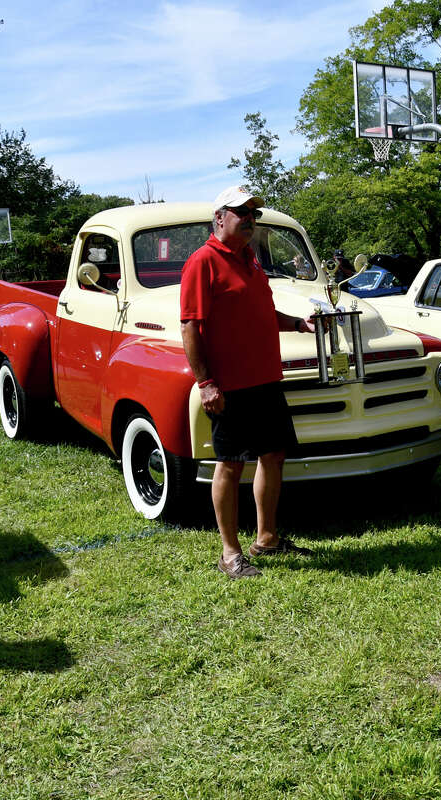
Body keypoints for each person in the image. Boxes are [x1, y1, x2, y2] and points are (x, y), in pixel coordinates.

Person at [180, 186, 317, 579]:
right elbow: (190, 326)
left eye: (254, 215)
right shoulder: (203, 262)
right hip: (231, 385)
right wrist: (205, 382)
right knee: (229, 465)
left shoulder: (250, 259)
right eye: (241, 213)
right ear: (220, 217)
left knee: (273, 456)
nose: (250, 221)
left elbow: (260, 310)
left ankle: (267, 537)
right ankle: (229, 552)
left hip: (266, 380)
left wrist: (295, 323)